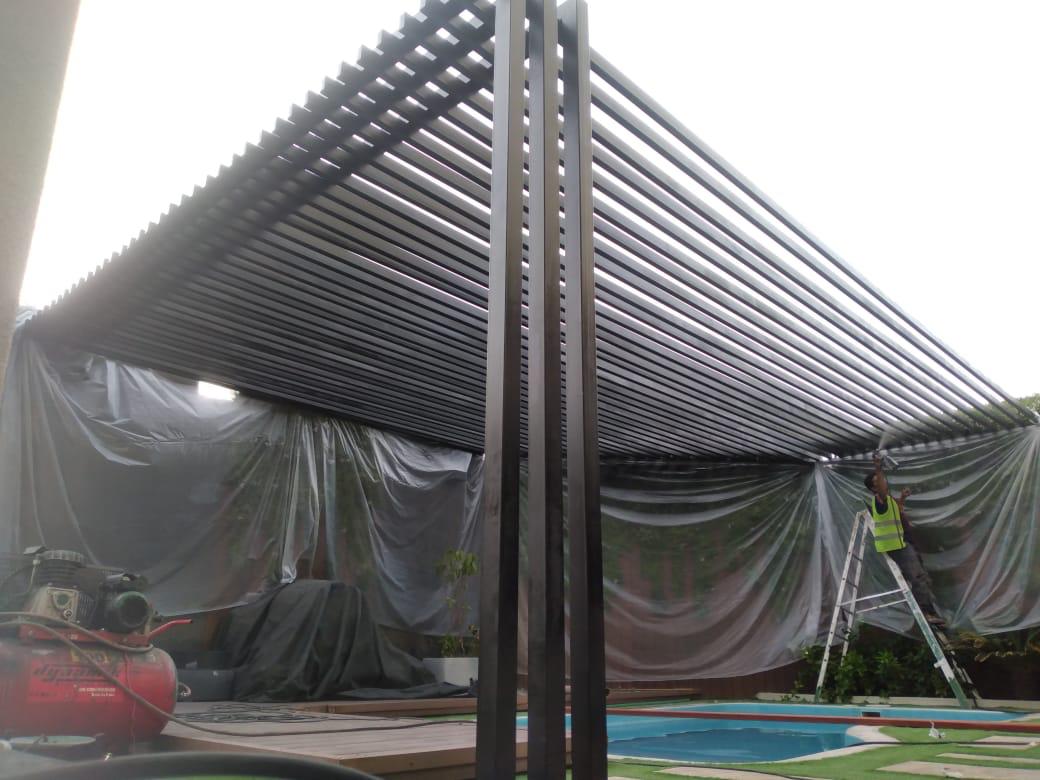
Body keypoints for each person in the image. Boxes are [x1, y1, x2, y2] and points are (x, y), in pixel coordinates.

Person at [864, 456, 946, 628]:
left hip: (902, 542)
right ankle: (927, 613)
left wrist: (902, 498)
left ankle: (930, 611)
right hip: (896, 545)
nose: (883, 481)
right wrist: (878, 467)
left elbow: (897, 511)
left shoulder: (888, 501)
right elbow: (883, 492)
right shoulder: (879, 499)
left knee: (922, 577)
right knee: (917, 577)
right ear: (874, 488)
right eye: (878, 481)